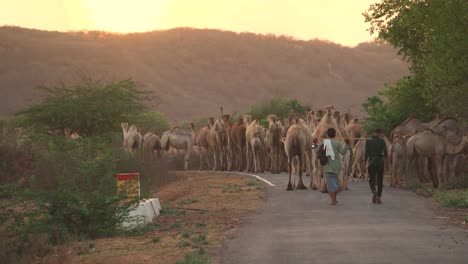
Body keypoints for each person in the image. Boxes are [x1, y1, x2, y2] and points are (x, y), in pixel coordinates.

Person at [319, 128, 352, 205]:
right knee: (336, 184)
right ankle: (334, 199)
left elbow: (317, 150)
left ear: (327, 134)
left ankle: (333, 200)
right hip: (337, 166)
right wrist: (347, 144)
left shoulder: (324, 142)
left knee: (330, 185)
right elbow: (343, 152)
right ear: (335, 134)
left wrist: (315, 143)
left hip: (327, 166)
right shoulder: (338, 143)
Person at [365, 128, 388, 204]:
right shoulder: (382, 141)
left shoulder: (368, 141)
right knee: (380, 180)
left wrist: (365, 163)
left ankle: (374, 190)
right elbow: (385, 152)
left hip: (372, 162)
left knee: (371, 178)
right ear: (379, 133)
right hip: (380, 162)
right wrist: (386, 160)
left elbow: (366, 153)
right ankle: (379, 197)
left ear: (374, 133)